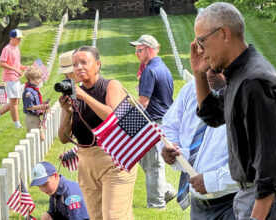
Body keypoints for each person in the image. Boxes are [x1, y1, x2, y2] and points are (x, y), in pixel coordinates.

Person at [192, 2, 276, 220]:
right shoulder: (239, 74)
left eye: (202, 42)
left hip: (265, 201)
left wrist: (256, 217)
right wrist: (198, 74)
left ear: (224, 33)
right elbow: (213, 115)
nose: (201, 51)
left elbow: (270, 162)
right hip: (249, 195)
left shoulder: (254, 81)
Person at [58, 46, 137, 220]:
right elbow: (63, 138)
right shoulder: (74, 95)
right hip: (87, 162)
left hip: (114, 159)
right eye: (75, 64)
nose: (78, 67)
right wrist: (68, 112)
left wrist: (84, 96)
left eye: (84, 62)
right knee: (97, 217)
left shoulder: (111, 86)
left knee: (114, 217)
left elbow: (114, 118)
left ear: (98, 64)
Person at [160, 70, 239, 219]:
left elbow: (258, 163)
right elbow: (169, 125)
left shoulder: (244, 96)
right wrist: (169, 147)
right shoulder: (190, 90)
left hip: (233, 203)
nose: (209, 73)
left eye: (215, 68)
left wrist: (212, 181)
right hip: (199, 203)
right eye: (204, 68)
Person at [129, 34, 176, 209]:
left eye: (139, 50)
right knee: (146, 160)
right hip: (161, 120)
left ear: (150, 50)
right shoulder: (163, 67)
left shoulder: (149, 70)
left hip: (153, 122)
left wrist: (130, 123)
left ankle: (156, 204)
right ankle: (166, 191)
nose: (136, 53)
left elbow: (143, 102)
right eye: (136, 50)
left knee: (153, 164)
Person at [0, 29, 28, 128]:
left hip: (15, 78)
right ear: (12, 38)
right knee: (14, 102)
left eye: (20, 39)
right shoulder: (6, 49)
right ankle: (17, 124)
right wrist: (15, 70)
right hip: (10, 78)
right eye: (18, 39)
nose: (19, 41)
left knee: (15, 101)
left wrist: (24, 67)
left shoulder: (16, 49)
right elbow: (1, 63)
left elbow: (16, 63)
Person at [23, 66, 49, 141]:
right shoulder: (29, 92)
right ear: (31, 79)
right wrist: (41, 106)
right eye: (38, 78)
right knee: (37, 139)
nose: (40, 80)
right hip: (31, 118)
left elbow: (35, 103)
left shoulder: (34, 90)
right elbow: (29, 107)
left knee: (41, 138)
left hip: (36, 117)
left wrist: (42, 104)